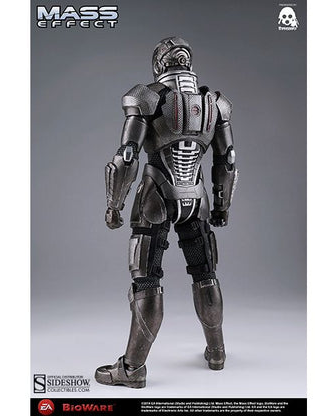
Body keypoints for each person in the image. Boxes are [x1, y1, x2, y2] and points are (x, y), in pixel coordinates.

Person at [95, 37, 238, 388]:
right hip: (196, 199)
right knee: (205, 273)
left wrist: (114, 205)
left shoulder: (146, 97)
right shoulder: (215, 103)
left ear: (160, 64)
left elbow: (127, 155)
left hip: (156, 197)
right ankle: (217, 353)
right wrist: (222, 206)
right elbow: (227, 159)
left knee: (147, 281)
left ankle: (132, 369)